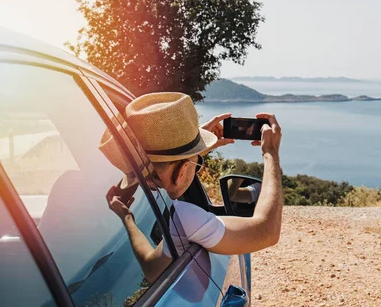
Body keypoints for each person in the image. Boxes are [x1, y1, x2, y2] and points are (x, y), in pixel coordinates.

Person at [100, 92, 282, 284]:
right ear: (181, 173)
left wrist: (188, 149)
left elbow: (153, 269)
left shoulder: (144, 184)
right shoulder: (186, 218)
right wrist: (271, 153)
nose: (198, 163)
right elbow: (266, 231)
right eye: (197, 162)